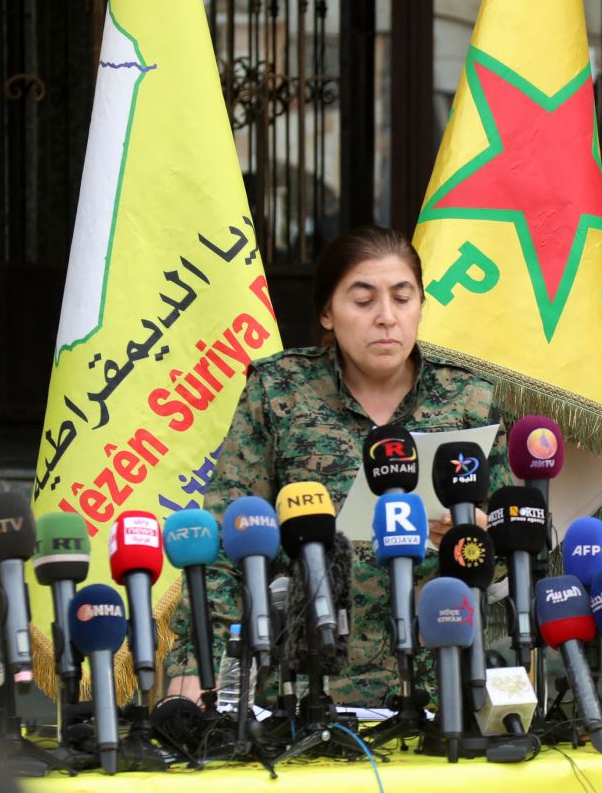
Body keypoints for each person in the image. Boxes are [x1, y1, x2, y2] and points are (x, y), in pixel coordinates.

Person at [164, 226, 510, 705]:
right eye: (363, 301)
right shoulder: (279, 391)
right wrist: (195, 667)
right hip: (303, 691)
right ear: (327, 313)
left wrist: (477, 538)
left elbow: (511, 552)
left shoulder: (470, 399)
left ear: (420, 307)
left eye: (402, 298)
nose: (386, 317)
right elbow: (227, 540)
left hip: (441, 686)